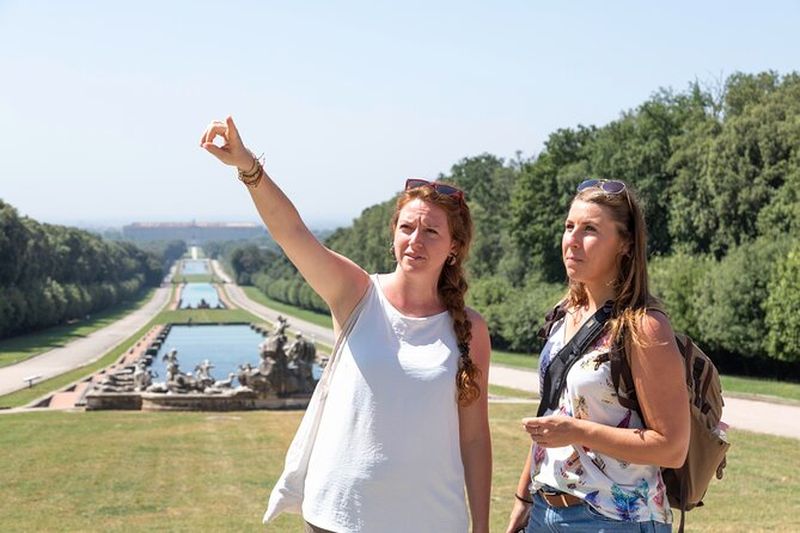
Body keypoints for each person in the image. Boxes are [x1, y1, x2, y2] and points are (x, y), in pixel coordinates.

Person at [200, 117, 492, 532]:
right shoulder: (356, 294)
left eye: (431, 231)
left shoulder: (472, 330)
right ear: (393, 234)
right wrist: (248, 167)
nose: (415, 241)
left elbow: (475, 439)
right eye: (407, 227)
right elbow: (292, 233)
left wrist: (481, 527)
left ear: (454, 248)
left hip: (431, 521)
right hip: (338, 516)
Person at [505, 179, 690, 533]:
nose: (572, 240)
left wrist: (575, 431)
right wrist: (524, 497)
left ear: (624, 244)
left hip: (613, 520)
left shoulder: (643, 327)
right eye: (569, 226)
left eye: (590, 229)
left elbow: (672, 448)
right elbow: (553, 414)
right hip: (546, 510)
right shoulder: (563, 315)